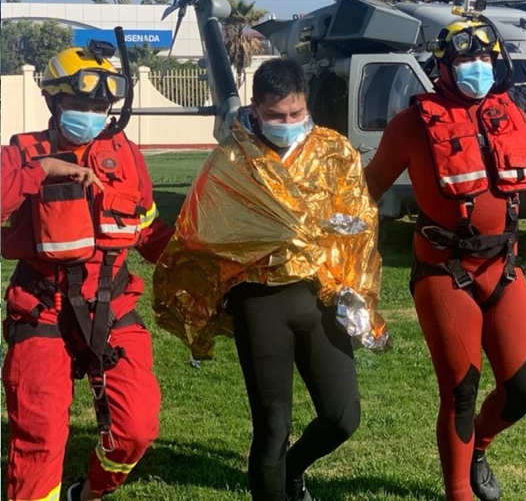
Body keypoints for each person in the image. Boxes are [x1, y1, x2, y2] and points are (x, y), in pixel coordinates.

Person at [152, 58, 388, 501]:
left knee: (343, 417)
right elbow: (202, 232)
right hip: (260, 303)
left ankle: (293, 472)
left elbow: (359, 218)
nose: (288, 123)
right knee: (272, 426)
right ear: (256, 109)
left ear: (306, 105)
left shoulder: (333, 150)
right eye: (276, 116)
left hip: (320, 297)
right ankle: (276, 486)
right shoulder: (232, 160)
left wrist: (352, 285)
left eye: (296, 114)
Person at [364, 18, 526, 501]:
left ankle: (480, 444)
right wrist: (346, 251)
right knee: (460, 389)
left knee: (524, 388)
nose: (475, 68)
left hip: (504, 265)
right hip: (443, 270)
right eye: (464, 60)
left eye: (483, 59)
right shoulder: (412, 124)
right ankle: (457, 491)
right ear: (443, 66)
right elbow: (368, 189)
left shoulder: (513, 115)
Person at [1, 43, 173, 501]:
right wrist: (41, 170)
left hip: (111, 308)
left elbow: (149, 227)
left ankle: (89, 492)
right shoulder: (23, 152)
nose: (91, 114)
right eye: (80, 104)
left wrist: (197, 261)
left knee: (136, 427)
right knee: (39, 438)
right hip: (42, 311)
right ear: (54, 102)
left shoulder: (127, 158)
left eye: (100, 106)